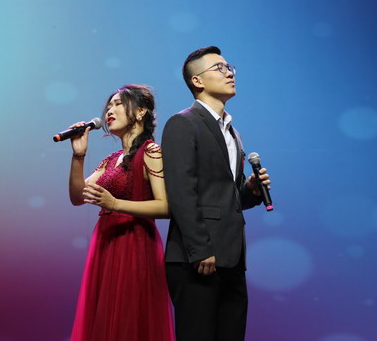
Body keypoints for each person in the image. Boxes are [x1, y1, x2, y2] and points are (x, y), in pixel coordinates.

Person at [162, 46, 271, 341]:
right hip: (197, 256)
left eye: (229, 67)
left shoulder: (233, 132)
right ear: (197, 81)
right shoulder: (183, 123)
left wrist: (250, 192)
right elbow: (181, 191)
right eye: (219, 68)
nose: (229, 73)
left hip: (232, 256)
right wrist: (200, 249)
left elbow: (226, 197)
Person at [68, 84, 175, 341]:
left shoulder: (151, 151)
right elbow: (77, 197)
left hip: (134, 244)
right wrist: (79, 157)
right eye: (109, 106)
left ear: (140, 111)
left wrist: (115, 204)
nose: (109, 111)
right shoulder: (111, 159)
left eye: (118, 104)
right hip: (106, 243)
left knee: (129, 318)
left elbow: (166, 206)